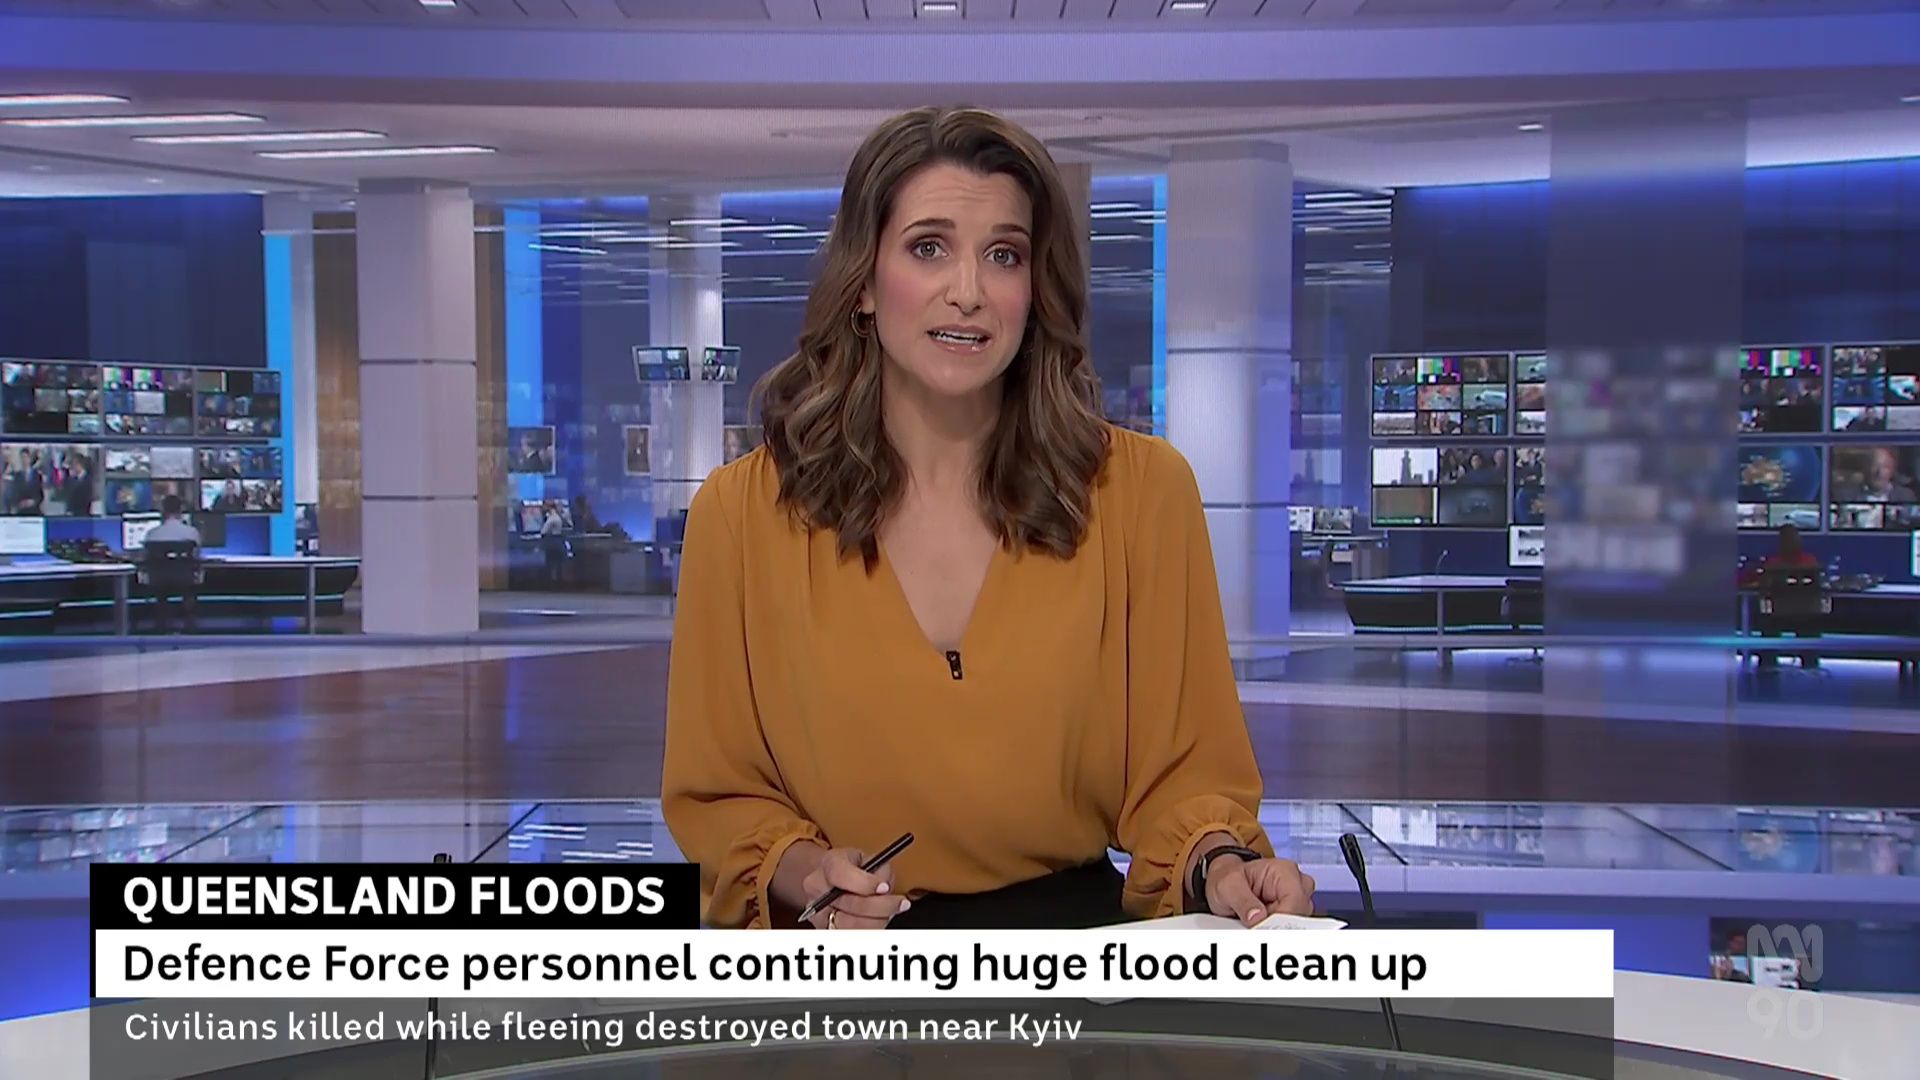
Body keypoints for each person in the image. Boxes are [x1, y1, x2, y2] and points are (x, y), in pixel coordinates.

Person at [662, 106, 1314, 932]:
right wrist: (806, 875)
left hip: (1073, 963)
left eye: (1003, 255)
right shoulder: (742, 515)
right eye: (928, 248)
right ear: (864, 282)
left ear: (1034, 290)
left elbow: (1186, 779)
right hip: (842, 959)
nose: (968, 292)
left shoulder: (1142, 494)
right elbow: (721, 794)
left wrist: (1222, 865)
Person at [143, 495, 202, 633]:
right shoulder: (191, 532)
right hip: (185, 580)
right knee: (190, 587)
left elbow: (146, 559)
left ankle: (161, 625)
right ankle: (190, 626)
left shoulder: (152, 534)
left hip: (159, 582)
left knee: (160, 589)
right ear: (181, 510)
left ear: (163, 511)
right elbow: (197, 557)